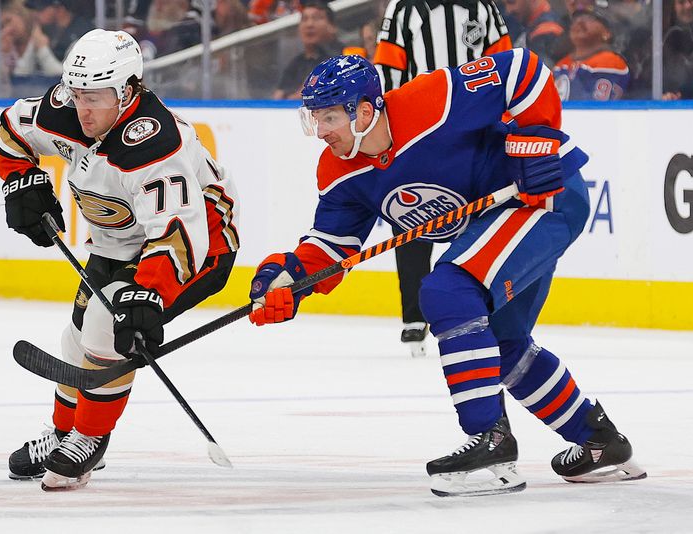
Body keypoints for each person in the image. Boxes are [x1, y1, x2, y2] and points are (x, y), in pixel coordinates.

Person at [247, 53, 646, 496]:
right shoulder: (338, 169)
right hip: (494, 222)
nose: (320, 131)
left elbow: (522, 69)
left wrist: (534, 142)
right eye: (313, 119)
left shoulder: (430, 101)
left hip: (542, 200)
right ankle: (599, 441)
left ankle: (490, 439)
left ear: (364, 110)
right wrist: (288, 278)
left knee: (447, 289)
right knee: (503, 344)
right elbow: (331, 246)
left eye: (329, 117)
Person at [0, 29, 240, 490]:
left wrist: (148, 294)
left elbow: (178, 237)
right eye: (77, 93)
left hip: (199, 247)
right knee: (75, 339)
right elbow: (11, 128)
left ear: (127, 91)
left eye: (96, 97)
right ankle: (64, 431)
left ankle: (90, 437)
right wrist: (19, 182)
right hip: (114, 241)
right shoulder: (66, 110)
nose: (83, 109)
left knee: (107, 329)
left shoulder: (155, 145)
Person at [373, 0, 511, 357]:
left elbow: (504, 63)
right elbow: (387, 72)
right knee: (412, 211)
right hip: (420, 132)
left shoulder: (482, 6)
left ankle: (477, 308)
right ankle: (414, 316)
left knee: (482, 222)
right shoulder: (405, 7)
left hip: (477, 132)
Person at [554, 7, 629, 100]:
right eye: (576, 20)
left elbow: (594, 110)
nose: (579, 22)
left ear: (607, 33)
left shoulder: (610, 61)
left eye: (590, 18)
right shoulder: (562, 64)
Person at [273, 1, 342, 99]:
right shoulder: (295, 64)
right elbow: (277, 99)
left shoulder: (343, 58)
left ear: (332, 27)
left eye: (317, 18)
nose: (309, 24)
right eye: (304, 19)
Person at [503, 0, 566, 66]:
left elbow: (540, 71)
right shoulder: (524, 24)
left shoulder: (548, 30)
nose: (508, 10)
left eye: (511, 2)